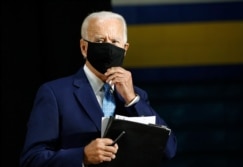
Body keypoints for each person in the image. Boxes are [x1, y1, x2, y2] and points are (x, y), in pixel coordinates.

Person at [19, 11, 177, 167]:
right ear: (83, 47)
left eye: (114, 41)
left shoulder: (137, 96)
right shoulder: (55, 94)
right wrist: (82, 156)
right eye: (100, 41)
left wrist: (132, 99)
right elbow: (32, 159)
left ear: (125, 48)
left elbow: (168, 150)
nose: (108, 47)